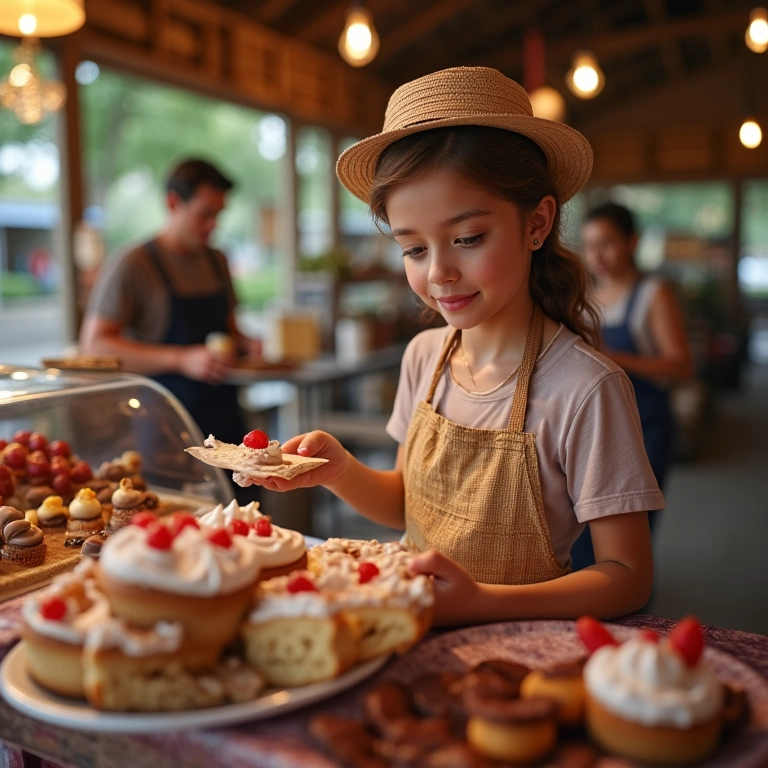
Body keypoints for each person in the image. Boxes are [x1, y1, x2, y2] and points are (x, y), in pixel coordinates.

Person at [240, 67, 663, 627]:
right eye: (413, 249)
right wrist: (338, 469)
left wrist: (483, 603)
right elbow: (406, 506)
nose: (439, 273)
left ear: (536, 222)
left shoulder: (586, 389)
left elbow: (628, 576)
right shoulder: (424, 356)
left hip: (521, 654)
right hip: (412, 634)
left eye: (467, 239)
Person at [79, 159, 261, 480]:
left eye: (218, 215)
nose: (213, 225)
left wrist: (249, 344)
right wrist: (181, 359)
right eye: (205, 214)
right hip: (163, 429)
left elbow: (230, 330)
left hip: (225, 419)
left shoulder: (217, 260)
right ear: (173, 203)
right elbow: (93, 347)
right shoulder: (134, 264)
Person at [570, 202, 694, 570]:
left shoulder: (653, 294)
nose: (597, 254)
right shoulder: (586, 298)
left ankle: (632, 616)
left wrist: (610, 356)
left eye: (607, 243)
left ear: (632, 242)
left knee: (628, 543)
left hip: (646, 427)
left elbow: (682, 365)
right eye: (590, 245)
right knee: (584, 536)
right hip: (598, 431)